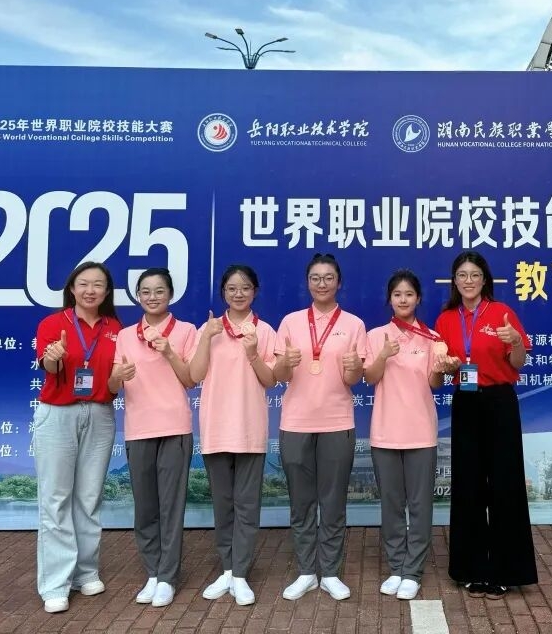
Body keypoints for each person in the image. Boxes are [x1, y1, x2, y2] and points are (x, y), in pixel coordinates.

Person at [433, 251, 537, 598]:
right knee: (469, 484)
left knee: (505, 484)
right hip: (466, 401)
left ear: (484, 279)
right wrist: (448, 366)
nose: (468, 281)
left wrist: (516, 342)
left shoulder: (502, 313)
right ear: (454, 281)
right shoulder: (446, 319)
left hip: (499, 401)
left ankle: (507, 570)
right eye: (462, 275)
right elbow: (443, 366)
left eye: (474, 274)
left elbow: (518, 362)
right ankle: (471, 568)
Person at [273, 253, 367, 601]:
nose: (322, 283)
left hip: (337, 422)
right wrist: (285, 363)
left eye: (328, 278)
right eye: (316, 278)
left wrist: (354, 367)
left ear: (338, 283)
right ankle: (306, 572)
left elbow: (353, 379)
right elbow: (279, 375)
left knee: (333, 502)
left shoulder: (354, 324)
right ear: (308, 282)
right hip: (296, 422)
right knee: (301, 503)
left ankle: (330, 572)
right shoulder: (291, 322)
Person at [364, 269, 459, 601]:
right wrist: (383, 355)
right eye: (397, 294)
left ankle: (413, 571)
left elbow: (434, 383)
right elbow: (369, 377)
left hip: (420, 432)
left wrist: (442, 369)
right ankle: (396, 567)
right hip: (385, 432)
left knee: (419, 505)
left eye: (408, 294)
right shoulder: (376, 336)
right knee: (391, 503)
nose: (403, 300)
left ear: (418, 298)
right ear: (389, 299)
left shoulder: (432, 338)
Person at [33, 261, 122, 614]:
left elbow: (113, 382)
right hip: (59, 413)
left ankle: (85, 572)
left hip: (100, 413)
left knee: (89, 497)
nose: (90, 290)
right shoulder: (52, 324)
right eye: (83, 283)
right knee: (56, 499)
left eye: (98, 284)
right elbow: (50, 368)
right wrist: (54, 357)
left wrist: (121, 376)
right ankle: (55, 584)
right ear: (71, 288)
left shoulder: (115, 328)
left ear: (107, 291)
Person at [188, 265, 277, 606]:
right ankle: (227, 569)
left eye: (245, 288)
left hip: (250, 428)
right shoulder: (208, 329)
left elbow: (270, 380)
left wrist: (253, 353)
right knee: (223, 504)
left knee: (247, 505)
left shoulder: (264, 330)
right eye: (232, 288)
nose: (238, 294)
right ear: (223, 292)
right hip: (215, 427)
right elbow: (195, 375)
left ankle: (240, 573)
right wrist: (206, 338)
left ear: (255, 291)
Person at [108, 268, 196, 608]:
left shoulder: (186, 331)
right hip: (139, 429)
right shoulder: (125, 335)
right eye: (145, 291)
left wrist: (170, 352)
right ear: (137, 296)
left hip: (174, 427)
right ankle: (153, 572)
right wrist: (118, 375)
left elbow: (191, 379)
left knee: (171, 507)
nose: (152, 297)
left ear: (170, 294)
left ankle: (168, 577)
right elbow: (113, 386)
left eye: (159, 290)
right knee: (145, 508)